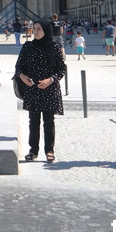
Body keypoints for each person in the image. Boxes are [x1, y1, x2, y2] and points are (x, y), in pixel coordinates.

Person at [15, 18, 66, 163]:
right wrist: (22, 76)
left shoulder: (54, 47)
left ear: (46, 31)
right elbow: (19, 66)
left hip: (49, 88)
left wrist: (51, 79)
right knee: (33, 121)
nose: (36, 31)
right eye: (34, 28)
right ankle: (33, 150)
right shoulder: (27, 46)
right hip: (33, 89)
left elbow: (62, 69)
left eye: (39, 29)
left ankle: (49, 150)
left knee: (49, 121)